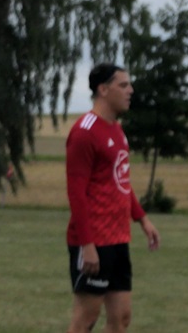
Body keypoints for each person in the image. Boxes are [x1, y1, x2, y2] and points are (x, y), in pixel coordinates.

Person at [65, 63, 160, 333]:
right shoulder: (84, 132)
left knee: (121, 318)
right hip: (93, 241)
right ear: (103, 90)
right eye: (123, 85)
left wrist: (142, 220)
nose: (131, 90)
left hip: (118, 239)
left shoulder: (117, 130)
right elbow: (76, 193)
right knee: (86, 318)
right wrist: (87, 245)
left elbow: (121, 182)